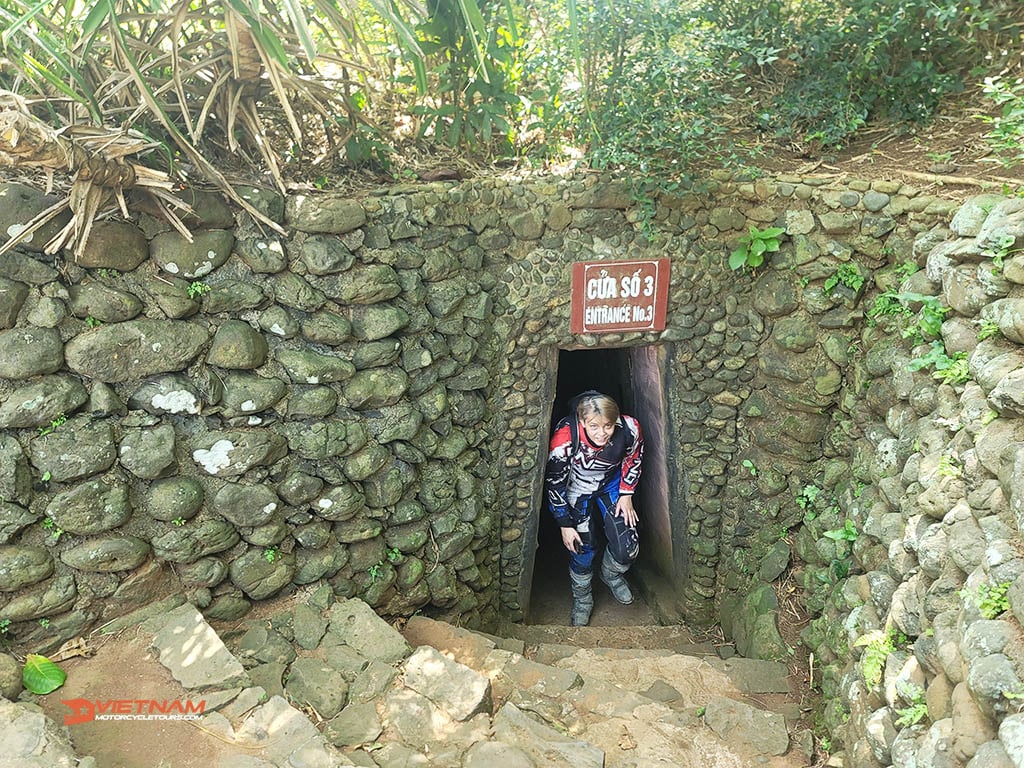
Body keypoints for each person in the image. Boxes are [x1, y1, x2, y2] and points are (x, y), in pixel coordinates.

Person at [544, 391, 643, 626]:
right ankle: (582, 597)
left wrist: (627, 492)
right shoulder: (565, 439)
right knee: (581, 548)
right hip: (576, 488)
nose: (602, 433)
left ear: (616, 420)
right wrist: (564, 524)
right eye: (594, 426)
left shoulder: (629, 428)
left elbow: (633, 456)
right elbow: (554, 483)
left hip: (611, 484)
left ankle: (610, 574)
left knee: (628, 547)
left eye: (608, 426)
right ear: (582, 423)